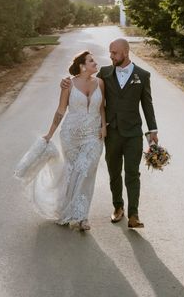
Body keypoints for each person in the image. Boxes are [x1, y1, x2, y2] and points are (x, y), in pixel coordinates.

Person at [62, 38, 157, 229]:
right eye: (110, 52)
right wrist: (66, 81)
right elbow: (84, 79)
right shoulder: (105, 73)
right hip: (112, 132)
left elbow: (147, 104)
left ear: (125, 52)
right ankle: (118, 207)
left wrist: (152, 130)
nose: (111, 56)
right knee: (114, 172)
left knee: (132, 172)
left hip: (133, 133)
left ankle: (133, 215)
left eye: (114, 53)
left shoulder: (143, 75)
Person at [17, 50, 106, 231]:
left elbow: (102, 108)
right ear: (82, 66)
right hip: (70, 136)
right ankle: (69, 210)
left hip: (93, 135)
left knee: (86, 171)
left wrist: (104, 126)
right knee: (73, 172)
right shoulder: (69, 85)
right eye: (91, 61)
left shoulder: (100, 83)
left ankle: (82, 217)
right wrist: (49, 134)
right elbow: (60, 110)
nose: (95, 63)